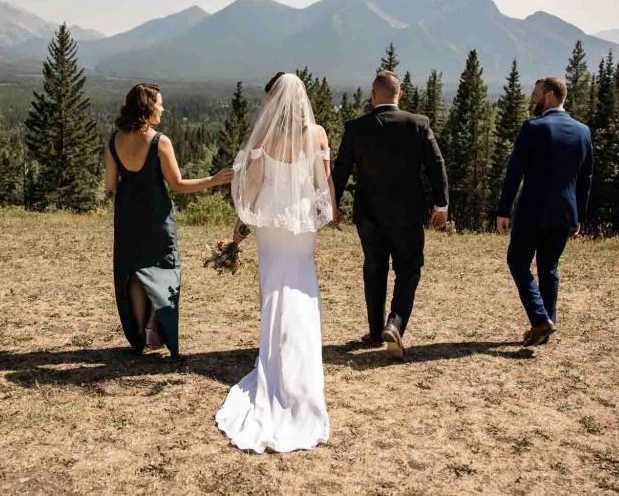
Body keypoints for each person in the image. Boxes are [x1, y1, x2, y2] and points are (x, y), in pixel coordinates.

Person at [216, 72, 336, 453]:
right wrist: (328, 212)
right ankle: (301, 364)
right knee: (302, 286)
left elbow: (252, 185)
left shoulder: (265, 136)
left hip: (272, 221)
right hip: (301, 223)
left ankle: (275, 361)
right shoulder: (317, 134)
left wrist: (241, 225)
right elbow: (325, 181)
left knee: (274, 290)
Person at [104, 83, 233, 358]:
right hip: (156, 216)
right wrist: (214, 179)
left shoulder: (115, 139)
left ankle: (142, 334)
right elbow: (178, 185)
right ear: (148, 107)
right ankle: (154, 325)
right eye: (159, 104)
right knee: (165, 269)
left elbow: (111, 184)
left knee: (136, 274)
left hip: (127, 216)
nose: (163, 108)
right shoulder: (159, 141)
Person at [331, 70, 449, 359]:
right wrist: (441, 204)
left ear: (373, 97)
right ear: (400, 96)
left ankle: (374, 330)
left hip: (368, 214)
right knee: (408, 268)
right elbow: (436, 164)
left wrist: (332, 207)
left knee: (374, 267)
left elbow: (340, 171)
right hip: (407, 214)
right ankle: (394, 323)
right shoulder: (418, 124)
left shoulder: (355, 127)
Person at [496, 76, 594, 346]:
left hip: (533, 211)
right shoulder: (583, 131)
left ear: (549, 95)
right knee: (549, 266)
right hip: (565, 213)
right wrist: (579, 217)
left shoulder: (534, 128)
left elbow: (515, 172)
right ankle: (545, 327)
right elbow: (586, 179)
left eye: (536, 93)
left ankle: (540, 319)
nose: (533, 99)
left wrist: (504, 210)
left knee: (518, 262)